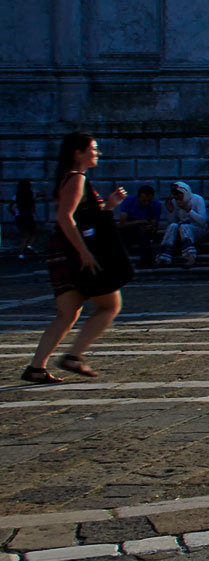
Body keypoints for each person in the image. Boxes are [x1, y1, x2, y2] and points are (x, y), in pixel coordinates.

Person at [23, 132, 127, 384]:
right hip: (73, 253)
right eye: (93, 148)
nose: (98, 153)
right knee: (110, 305)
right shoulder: (77, 178)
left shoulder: (71, 178)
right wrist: (84, 252)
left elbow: (83, 217)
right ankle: (73, 356)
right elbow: (65, 218)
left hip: (63, 252)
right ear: (78, 153)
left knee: (67, 313)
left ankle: (36, 368)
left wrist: (109, 206)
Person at [115, 183, 164, 268]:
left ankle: (147, 262)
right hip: (129, 229)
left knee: (144, 235)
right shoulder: (129, 201)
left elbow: (154, 224)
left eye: (149, 201)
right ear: (138, 197)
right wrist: (140, 222)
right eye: (144, 200)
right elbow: (122, 223)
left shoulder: (156, 205)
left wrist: (150, 227)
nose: (146, 203)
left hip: (145, 231)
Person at [161, 181, 207, 270]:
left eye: (179, 193)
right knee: (173, 226)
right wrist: (171, 212)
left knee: (184, 226)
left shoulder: (197, 199)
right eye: (175, 194)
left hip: (198, 231)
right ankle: (163, 256)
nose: (177, 196)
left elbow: (202, 222)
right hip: (182, 233)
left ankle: (191, 257)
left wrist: (189, 211)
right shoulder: (175, 202)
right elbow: (172, 223)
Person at [12, 179, 39, 261]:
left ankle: (21, 254)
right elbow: (42, 194)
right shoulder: (32, 195)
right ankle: (28, 246)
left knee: (23, 236)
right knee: (33, 233)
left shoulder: (16, 196)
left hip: (20, 217)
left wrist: (15, 214)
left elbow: (9, 207)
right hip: (29, 217)